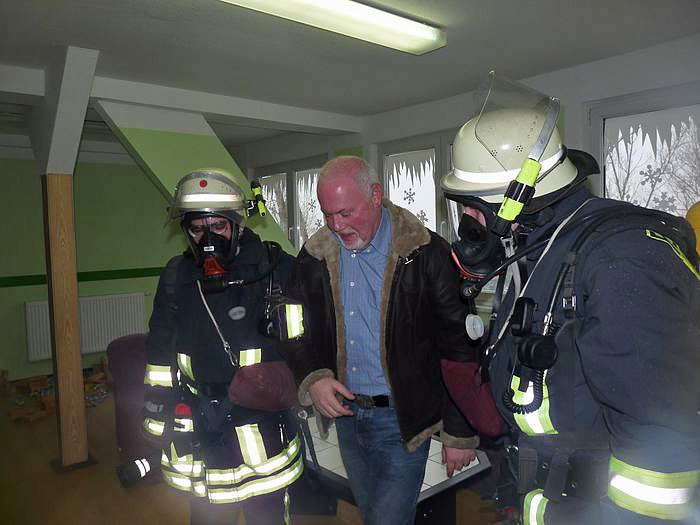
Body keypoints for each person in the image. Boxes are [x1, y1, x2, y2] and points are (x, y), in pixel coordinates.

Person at [439, 73, 700, 524]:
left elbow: (662, 463)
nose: (466, 219)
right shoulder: (541, 247)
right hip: (544, 493)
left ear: (514, 200)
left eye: (471, 205)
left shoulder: (621, 261)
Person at [285, 156, 481, 525]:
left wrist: (460, 431)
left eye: (346, 212)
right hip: (346, 414)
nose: (336, 225)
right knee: (374, 516)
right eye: (327, 214)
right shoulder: (314, 256)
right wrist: (314, 377)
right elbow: (293, 326)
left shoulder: (427, 253)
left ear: (375, 195)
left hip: (402, 420)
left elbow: (461, 344)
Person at [142, 168, 304, 525]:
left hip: (261, 427)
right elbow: (160, 350)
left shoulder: (276, 270)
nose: (208, 239)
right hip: (200, 424)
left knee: (267, 515)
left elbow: (306, 346)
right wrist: (156, 410)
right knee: (208, 516)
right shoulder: (176, 277)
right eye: (198, 229)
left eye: (218, 226)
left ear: (238, 224)